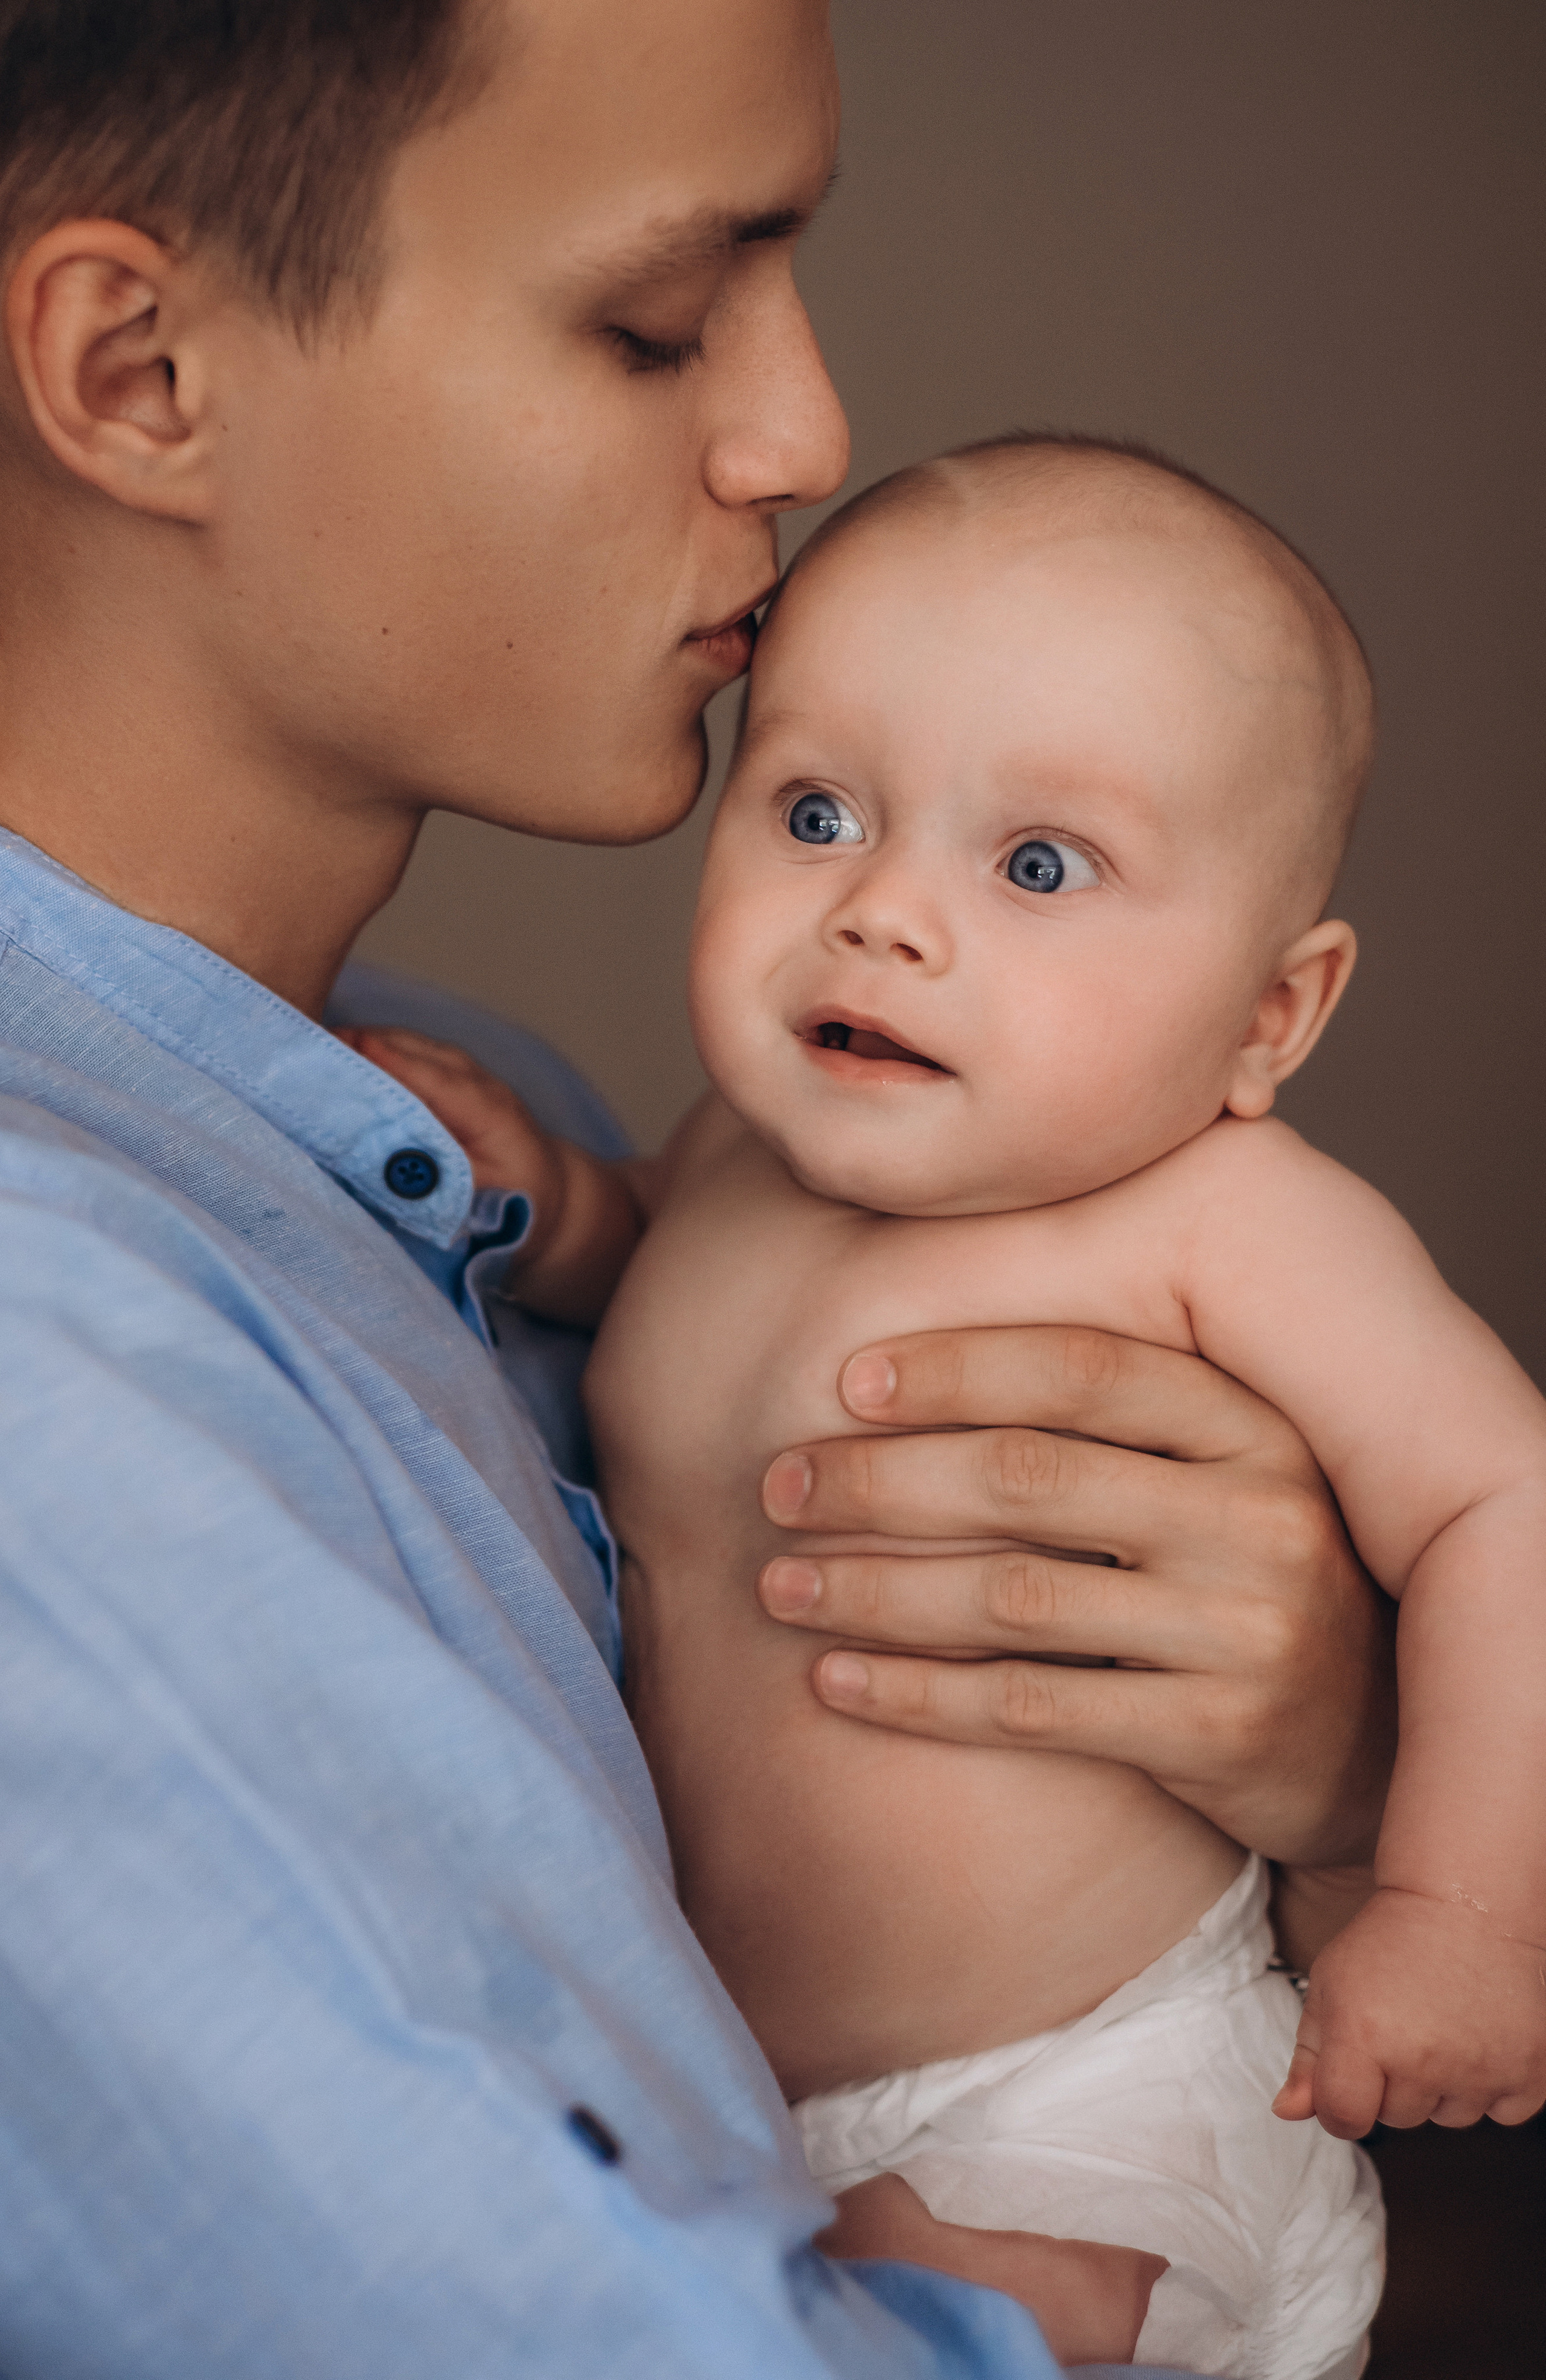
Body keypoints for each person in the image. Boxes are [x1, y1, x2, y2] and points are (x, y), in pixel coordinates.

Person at [0, 4, 1396, 2373]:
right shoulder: (57, 1366)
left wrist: (1317, 1746)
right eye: (657, 317)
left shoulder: (479, 1140)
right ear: (139, 368)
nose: (806, 435)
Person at [364, 434, 1534, 2373]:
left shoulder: (1228, 1223)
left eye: (1039, 864)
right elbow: (661, 1273)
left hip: (1081, 2103)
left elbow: (1506, 1498)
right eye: (819, 810)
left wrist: (1470, 1906)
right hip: (737, 2100)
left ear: (1272, 1017)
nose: (886, 912)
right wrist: (562, 1207)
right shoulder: (737, 1157)